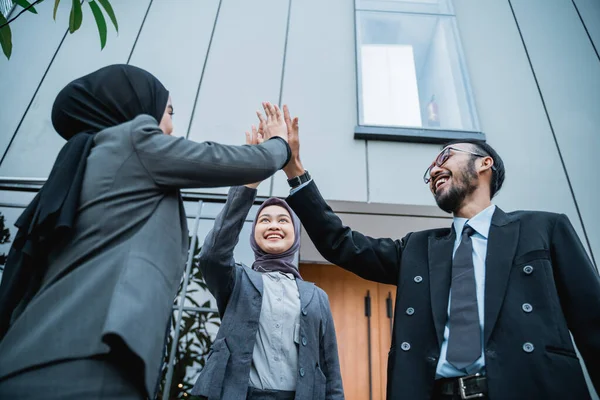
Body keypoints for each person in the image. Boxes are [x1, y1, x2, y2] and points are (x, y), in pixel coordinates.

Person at [0, 64, 292, 400]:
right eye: (168, 111)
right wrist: (279, 145)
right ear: (139, 108)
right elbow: (230, 160)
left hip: (29, 359)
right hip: (87, 363)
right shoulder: (132, 140)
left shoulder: (90, 163)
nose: (172, 125)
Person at [279, 109, 600, 399]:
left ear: (484, 163)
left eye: (444, 158)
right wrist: (295, 171)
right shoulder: (418, 248)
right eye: (429, 172)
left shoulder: (543, 228)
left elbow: (593, 325)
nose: (433, 171)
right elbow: (342, 244)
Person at [191, 105, 344, 400]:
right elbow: (212, 255)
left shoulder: (316, 297)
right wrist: (250, 176)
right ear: (254, 234)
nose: (274, 226)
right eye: (264, 220)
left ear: (295, 234)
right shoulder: (237, 281)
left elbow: (331, 371)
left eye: (283, 220)